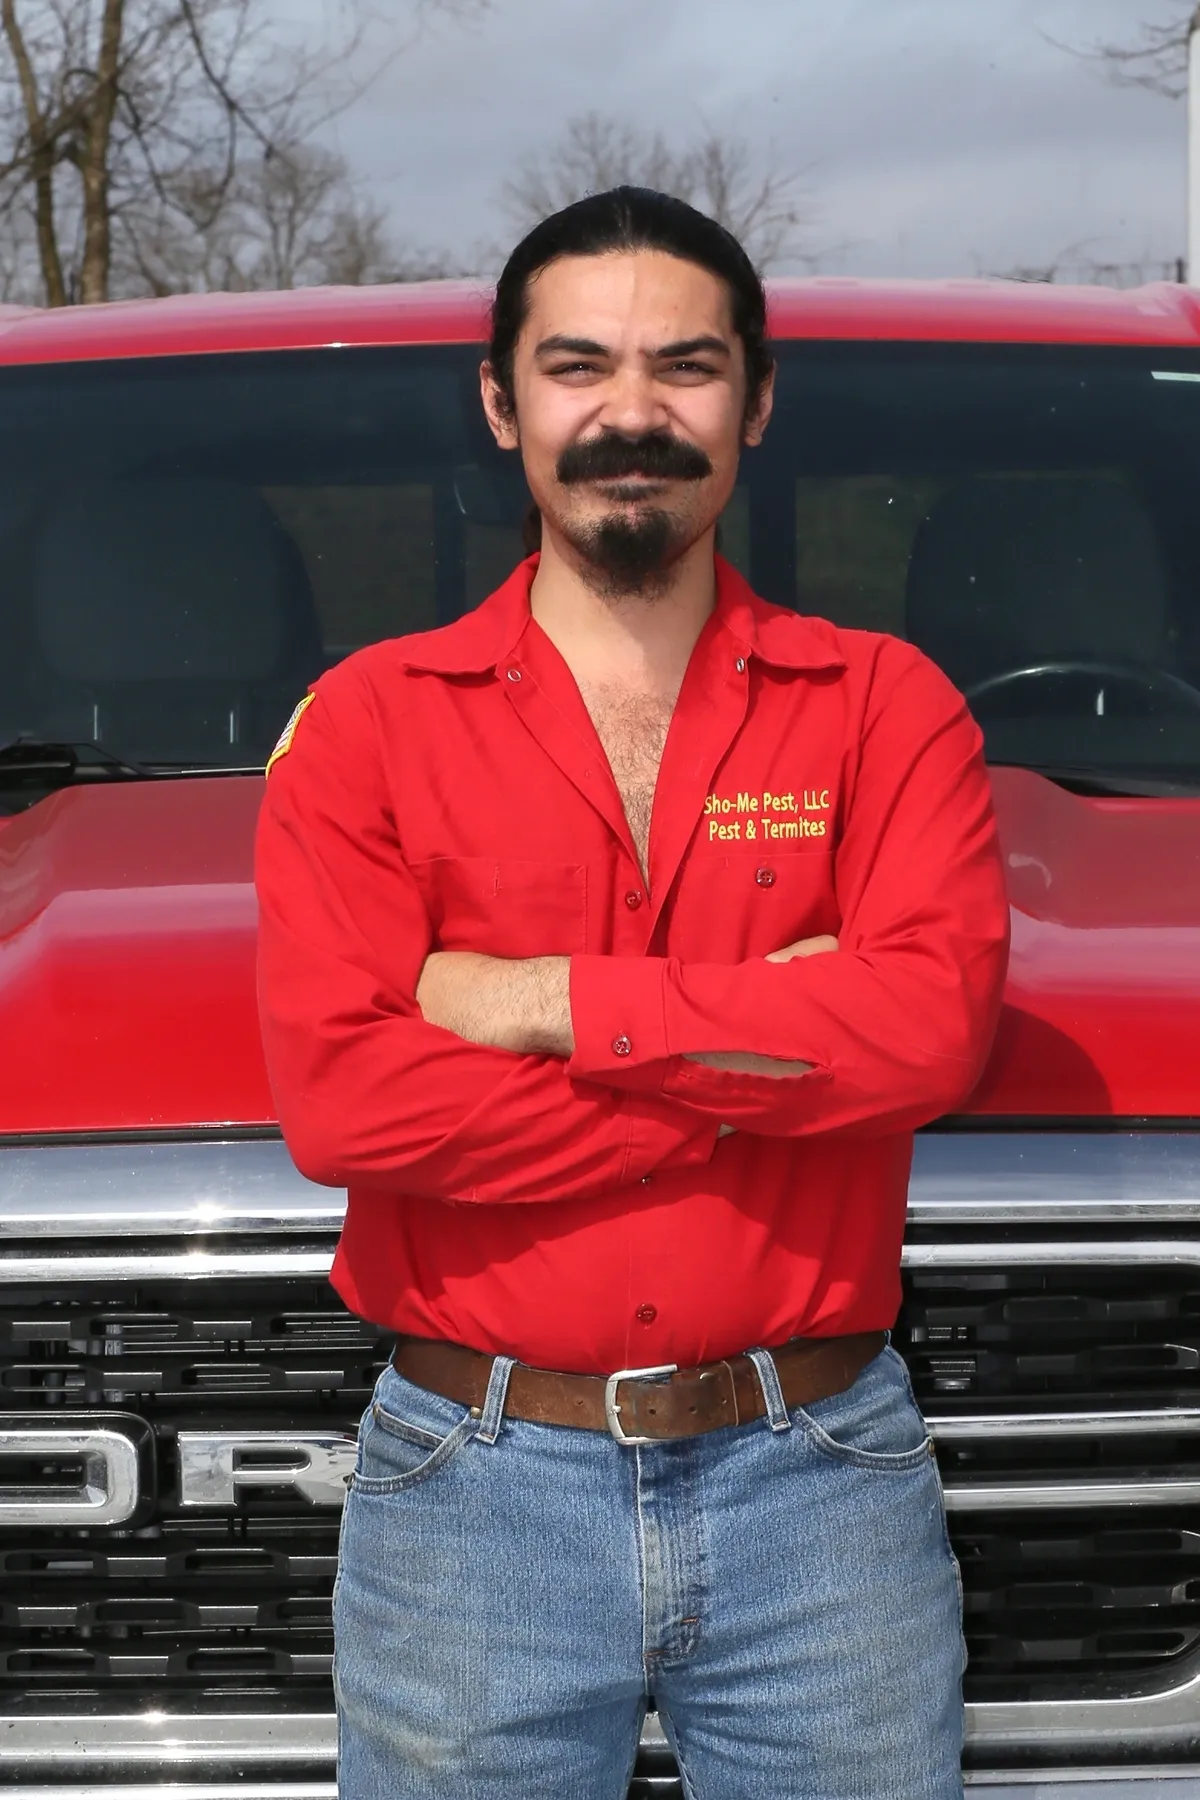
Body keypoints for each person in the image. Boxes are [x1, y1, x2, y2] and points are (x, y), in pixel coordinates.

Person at [255, 186, 1010, 1800]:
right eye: (579, 365)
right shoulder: (369, 728)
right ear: (501, 399)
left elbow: (927, 1032)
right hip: (472, 1492)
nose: (632, 414)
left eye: (686, 366)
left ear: (756, 399)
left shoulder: (889, 710)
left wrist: (535, 1004)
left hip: (822, 1487)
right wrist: (773, 1052)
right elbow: (348, 1101)